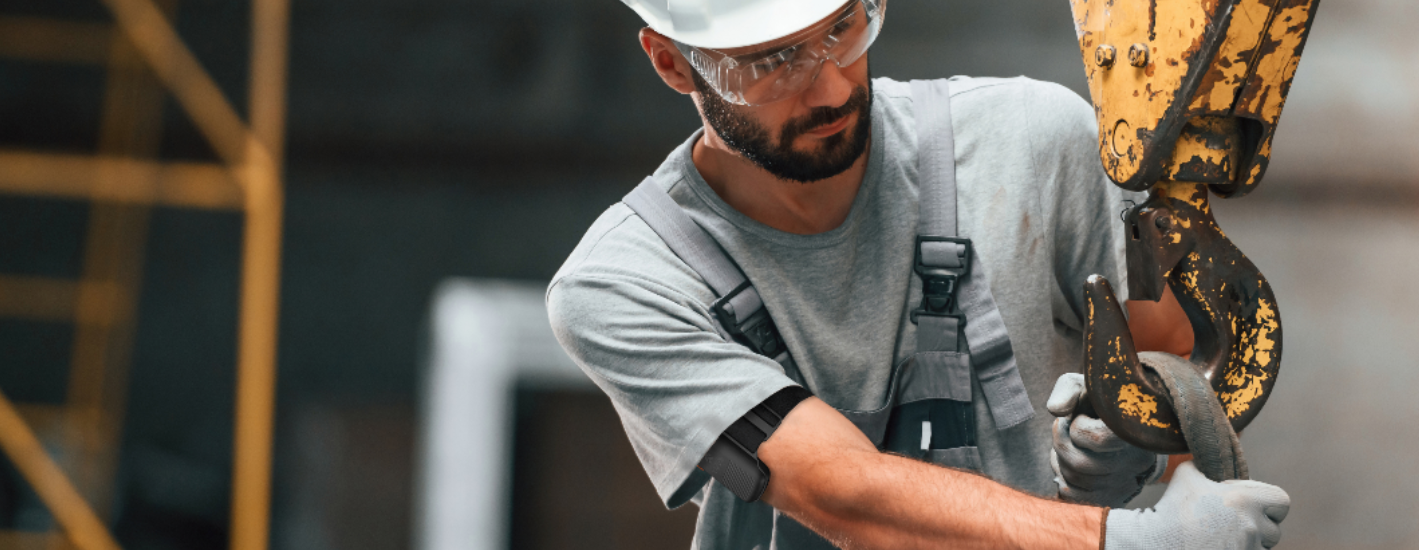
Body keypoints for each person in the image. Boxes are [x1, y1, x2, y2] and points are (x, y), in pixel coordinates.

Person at [546, 0, 1291, 547]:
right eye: (772, 63)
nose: (831, 88)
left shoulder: (1030, 143)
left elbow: (1183, 370)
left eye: (842, 29)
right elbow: (842, 490)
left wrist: (1132, 443)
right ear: (672, 62)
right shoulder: (628, 282)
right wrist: (1128, 543)